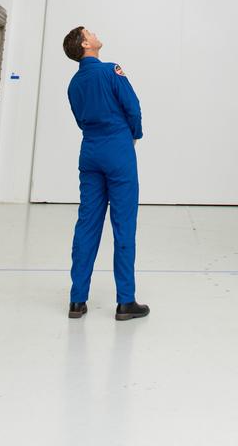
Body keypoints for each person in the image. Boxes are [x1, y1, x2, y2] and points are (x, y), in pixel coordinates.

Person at [63, 25, 149, 321]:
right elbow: (133, 108)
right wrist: (134, 134)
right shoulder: (112, 70)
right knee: (123, 225)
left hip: (90, 152)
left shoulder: (74, 85)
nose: (96, 33)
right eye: (91, 32)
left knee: (87, 224)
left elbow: (79, 119)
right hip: (117, 150)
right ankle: (125, 301)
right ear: (86, 44)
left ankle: (77, 300)